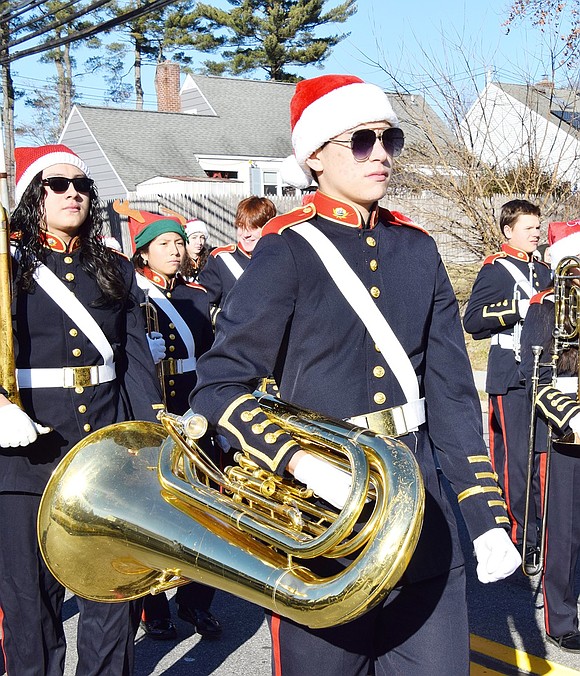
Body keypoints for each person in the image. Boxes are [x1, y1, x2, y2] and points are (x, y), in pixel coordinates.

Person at [190, 74, 521, 676]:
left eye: (389, 140)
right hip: (321, 526)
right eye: (360, 141)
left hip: (422, 518)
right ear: (314, 155)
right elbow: (218, 386)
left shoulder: (417, 249)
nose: (381, 155)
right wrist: (297, 459)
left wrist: (485, 515)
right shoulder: (289, 248)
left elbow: (448, 394)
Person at [0, 144, 163, 675]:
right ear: (33, 196)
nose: (74, 193)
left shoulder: (114, 268)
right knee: (31, 601)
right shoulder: (7, 264)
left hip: (102, 448)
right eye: (58, 184)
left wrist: (149, 444)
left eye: (83, 185)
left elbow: (135, 360)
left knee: (111, 591)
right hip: (26, 451)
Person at [131, 211, 221, 640]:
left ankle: (196, 602)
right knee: (154, 510)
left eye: (178, 243)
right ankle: (153, 607)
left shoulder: (198, 295)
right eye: (163, 244)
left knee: (202, 509)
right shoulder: (133, 294)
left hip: (194, 407)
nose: (174, 250)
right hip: (153, 407)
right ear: (144, 251)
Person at [464, 200, 552, 572]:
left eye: (537, 226)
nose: (535, 232)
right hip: (511, 377)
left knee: (543, 461)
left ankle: (546, 536)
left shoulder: (547, 271)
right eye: (528, 227)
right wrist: (520, 306)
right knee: (515, 464)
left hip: (544, 374)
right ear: (508, 231)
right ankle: (520, 540)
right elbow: (473, 320)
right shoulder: (497, 269)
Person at [519, 218, 580, 653]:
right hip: (573, 430)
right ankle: (561, 617)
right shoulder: (546, 306)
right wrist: (573, 418)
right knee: (567, 529)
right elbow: (536, 379)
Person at [198, 196, 276, 321]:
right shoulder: (221, 260)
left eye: (254, 227)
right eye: (241, 226)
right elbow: (203, 304)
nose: (245, 234)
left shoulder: (280, 259)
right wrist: (228, 323)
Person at [181, 218, 210, 283]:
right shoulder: (178, 261)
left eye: (202, 237)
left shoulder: (210, 260)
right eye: (194, 237)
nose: (199, 242)